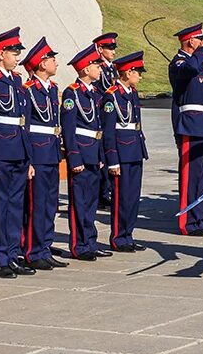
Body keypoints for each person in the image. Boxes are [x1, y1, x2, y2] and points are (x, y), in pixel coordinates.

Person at [0, 28, 36, 277]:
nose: (17, 57)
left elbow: (24, 122)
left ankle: (12, 254)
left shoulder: (16, 81)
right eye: (13, 52)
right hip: (0, 150)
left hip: (19, 151)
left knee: (14, 206)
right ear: (1, 54)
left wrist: (29, 157)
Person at [61, 46, 113, 261]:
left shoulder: (95, 94)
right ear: (84, 69)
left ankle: (90, 242)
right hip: (81, 154)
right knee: (80, 202)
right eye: (95, 65)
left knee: (91, 202)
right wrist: (74, 156)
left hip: (93, 153)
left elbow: (98, 128)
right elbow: (69, 129)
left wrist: (101, 156)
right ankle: (79, 245)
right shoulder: (71, 93)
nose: (99, 69)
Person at [20, 37, 67, 270]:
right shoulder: (28, 90)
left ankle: (44, 246)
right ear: (41, 63)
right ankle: (33, 249)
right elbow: (26, 126)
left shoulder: (52, 89)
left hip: (50, 152)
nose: (56, 63)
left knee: (50, 203)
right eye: (52, 59)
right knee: (36, 204)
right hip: (37, 152)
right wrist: (28, 158)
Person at [169, 23, 203, 236]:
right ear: (191, 41)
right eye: (201, 39)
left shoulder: (200, 66)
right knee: (190, 176)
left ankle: (199, 218)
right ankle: (188, 221)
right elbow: (189, 69)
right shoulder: (180, 63)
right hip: (191, 126)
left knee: (201, 177)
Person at [101, 51, 149, 249]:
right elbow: (109, 131)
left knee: (133, 198)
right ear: (128, 73)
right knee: (122, 198)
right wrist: (112, 160)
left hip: (135, 150)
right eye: (137, 72)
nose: (140, 75)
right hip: (121, 152)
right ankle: (119, 238)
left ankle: (128, 235)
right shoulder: (112, 96)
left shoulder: (132, 93)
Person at [93, 32, 118, 208]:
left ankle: (107, 189)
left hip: (114, 116)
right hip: (103, 114)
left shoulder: (113, 68)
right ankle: (103, 192)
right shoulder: (99, 68)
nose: (113, 51)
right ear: (100, 49)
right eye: (110, 48)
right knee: (103, 154)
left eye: (114, 47)